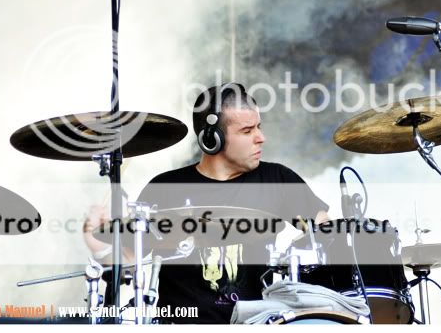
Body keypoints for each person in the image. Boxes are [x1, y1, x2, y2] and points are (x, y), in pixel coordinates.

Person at [83, 83, 329, 324]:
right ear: (213, 139)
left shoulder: (277, 180)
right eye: (247, 131)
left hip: (256, 324)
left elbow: (324, 234)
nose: (260, 138)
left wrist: (311, 247)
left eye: (259, 127)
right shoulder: (165, 188)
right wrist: (96, 242)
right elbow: (127, 264)